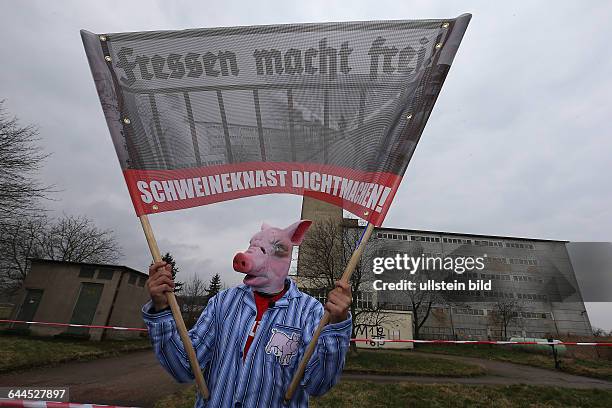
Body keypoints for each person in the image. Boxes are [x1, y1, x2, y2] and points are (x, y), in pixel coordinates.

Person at [142, 220, 352, 407]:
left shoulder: (310, 312)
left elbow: (318, 385)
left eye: (265, 249)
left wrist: (336, 325)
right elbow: (183, 368)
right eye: (253, 247)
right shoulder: (222, 303)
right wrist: (162, 309)